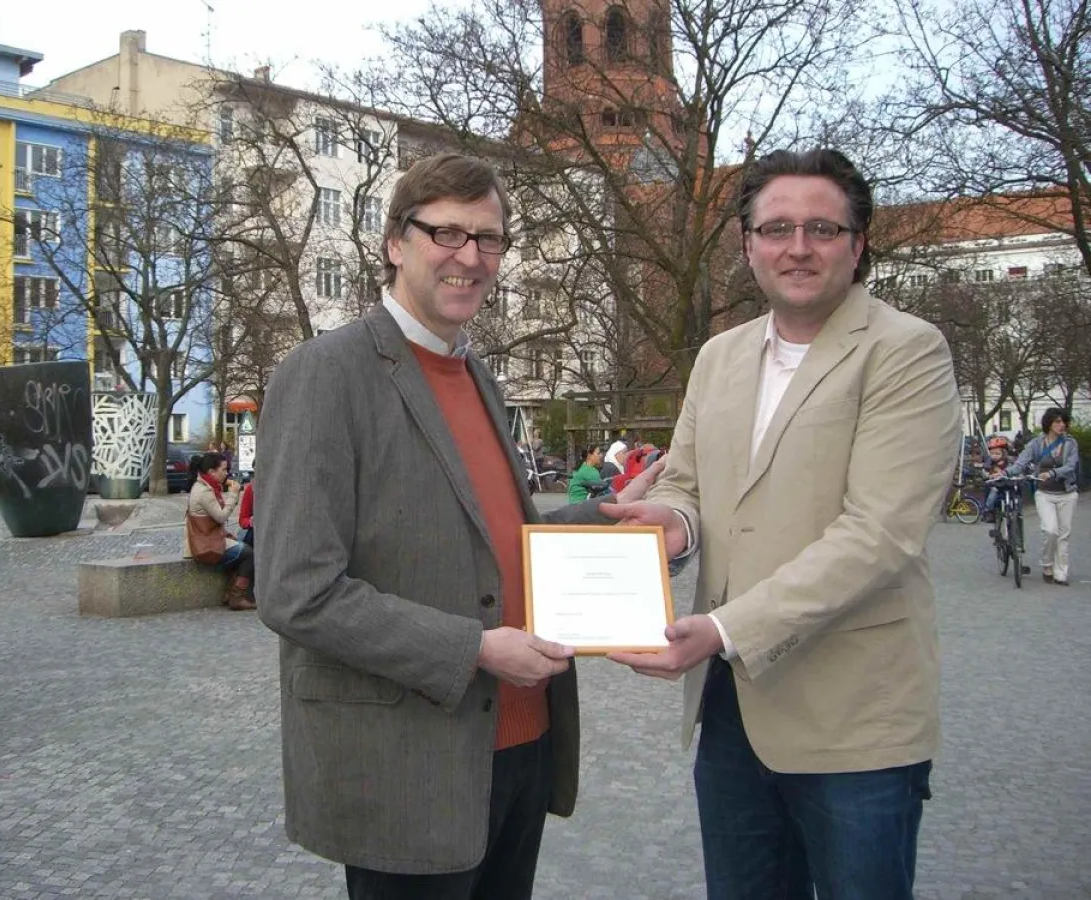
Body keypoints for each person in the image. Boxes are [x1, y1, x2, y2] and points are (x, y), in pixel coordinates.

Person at [255, 153, 661, 900]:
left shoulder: (474, 370)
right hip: (410, 765)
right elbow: (295, 591)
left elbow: (485, 535)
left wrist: (598, 519)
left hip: (517, 744)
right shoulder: (327, 372)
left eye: (489, 239)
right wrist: (474, 649)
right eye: (447, 233)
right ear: (393, 243)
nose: (470, 258)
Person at [601, 148, 962, 897]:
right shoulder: (718, 357)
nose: (798, 247)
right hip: (732, 715)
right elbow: (692, 484)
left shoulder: (907, 351)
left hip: (854, 719)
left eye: (822, 228)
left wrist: (726, 629)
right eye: (777, 229)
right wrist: (672, 523)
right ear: (746, 245)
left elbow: (881, 534)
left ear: (858, 245)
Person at [1005, 407, 1080, 585]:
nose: (1062, 425)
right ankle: (1047, 564)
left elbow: (1071, 465)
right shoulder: (1037, 443)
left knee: (1064, 534)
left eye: (1064, 422)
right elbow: (1021, 462)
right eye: (1057, 422)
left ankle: (1060, 573)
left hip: (1067, 493)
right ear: (1049, 424)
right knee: (1050, 530)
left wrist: (1053, 473)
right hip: (1044, 493)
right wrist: (1005, 472)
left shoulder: (1070, 443)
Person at [183, 451, 255, 611]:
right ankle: (238, 598)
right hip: (206, 545)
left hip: (209, 537)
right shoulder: (204, 492)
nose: (226, 473)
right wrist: (234, 495)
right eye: (223, 469)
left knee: (241, 548)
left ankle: (230, 593)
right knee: (249, 554)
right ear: (211, 472)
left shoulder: (205, 486)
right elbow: (221, 516)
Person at [981, 436, 1011, 521]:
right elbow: (984, 471)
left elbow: (1013, 469)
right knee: (992, 495)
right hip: (994, 484)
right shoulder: (989, 463)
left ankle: (1013, 509)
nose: (994, 456)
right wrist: (987, 475)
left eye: (997, 454)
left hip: (1006, 483)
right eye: (992, 453)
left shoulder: (1008, 462)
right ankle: (988, 510)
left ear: (1004, 453)